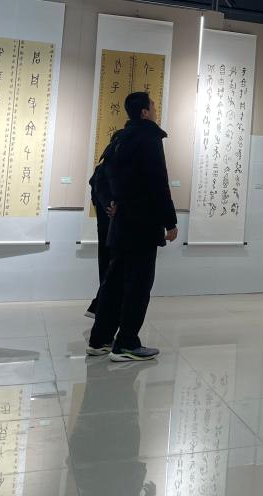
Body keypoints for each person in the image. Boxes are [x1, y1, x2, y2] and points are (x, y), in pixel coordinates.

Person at [87, 91, 178, 362]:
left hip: (121, 225)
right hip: (143, 225)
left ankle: (100, 340)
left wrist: (110, 202)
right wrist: (170, 221)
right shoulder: (149, 137)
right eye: (153, 105)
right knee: (138, 285)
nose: (156, 109)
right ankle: (126, 343)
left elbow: (100, 176)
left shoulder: (119, 138)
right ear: (144, 112)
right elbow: (158, 181)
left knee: (114, 284)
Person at [85, 130, 121, 319]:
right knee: (111, 268)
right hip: (111, 229)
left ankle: (99, 307)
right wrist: (112, 207)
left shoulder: (103, 168)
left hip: (108, 228)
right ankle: (100, 308)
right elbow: (106, 200)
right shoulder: (107, 169)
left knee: (109, 268)